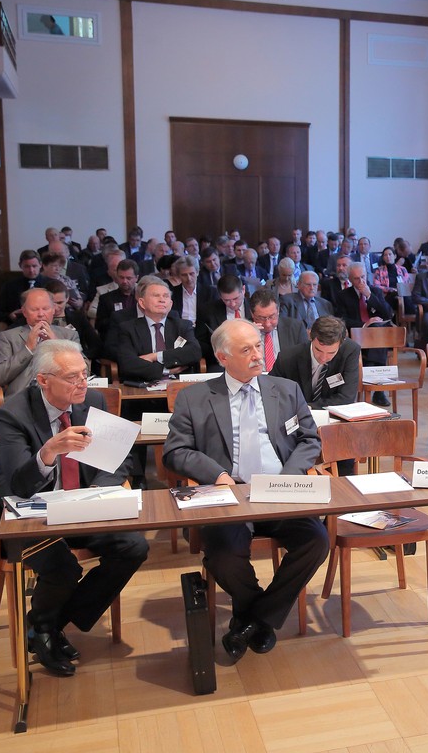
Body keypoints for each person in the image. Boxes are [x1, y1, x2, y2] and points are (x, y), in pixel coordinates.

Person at [0, 340, 148, 676]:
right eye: (72, 377)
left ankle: (45, 625)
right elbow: (15, 486)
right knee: (62, 568)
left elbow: (119, 460)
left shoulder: (92, 401)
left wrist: (96, 491)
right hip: (32, 513)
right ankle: (46, 630)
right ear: (43, 380)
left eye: (84, 374)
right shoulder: (13, 413)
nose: (83, 383)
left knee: (134, 547)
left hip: (81, 506)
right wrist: (47, 453)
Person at [164, 319, 326, 663]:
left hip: (280, 488)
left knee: (316, 540)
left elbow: (310, 440)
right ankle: (259, 618)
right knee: (223, 555)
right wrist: (217, 473)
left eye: (258, 345)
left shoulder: (286, 389)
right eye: (246, 349)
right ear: (223, 358)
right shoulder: (195, 397)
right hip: (230, 492)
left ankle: (252, 620)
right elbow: (176, 451)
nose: (258, 355)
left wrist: (288, 477)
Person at [111, 277, 202, 382]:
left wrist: (156, 356)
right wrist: (165, 370)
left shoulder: (183, 326)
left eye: (166, 296)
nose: (162, 300)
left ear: (170, 304)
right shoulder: (128, 328)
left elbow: (194, 352)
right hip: (143, 385)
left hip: (178, 385)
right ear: (142, 303)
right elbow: (128, 363)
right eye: (156, 295)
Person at [0, 289, 81, 397]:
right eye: (34, 310)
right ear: (24, 312)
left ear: (53, 309)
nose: (41, 314)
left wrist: (57, 345)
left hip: (62, 397)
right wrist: (28, 349)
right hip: (23, 399)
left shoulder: (69, 335)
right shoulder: (8, 337)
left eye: (45, 309)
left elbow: (83, 371)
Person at [197, 275, 252, 370]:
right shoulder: (207, 312)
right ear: (220, 296)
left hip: (251, 358)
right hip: (221, 363)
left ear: (243, 290)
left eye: (236, 298)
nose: (232, 304)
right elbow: (201, 344)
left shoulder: (255, 307)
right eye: (227, 300)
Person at [250, 288, 307, 373]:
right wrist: (248, 336)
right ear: (252, 314)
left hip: (286, 378)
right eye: (261, 318)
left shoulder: (295, 328)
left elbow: (304, 361)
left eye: (272, 317)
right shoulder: (243, 331)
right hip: (255, 377)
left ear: (278, 311)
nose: (267, 324)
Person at [45, 280, 102, 362]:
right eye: (52, 303)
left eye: (60, 303)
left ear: (67, 298)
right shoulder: (38, 319)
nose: (56, 307)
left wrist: (80, 357)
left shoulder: (78, 318)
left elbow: (96, 346)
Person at [0, 250, 48, 326]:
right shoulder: (9, 286)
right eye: (27, 266)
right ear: (20, 265)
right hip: (17, 326)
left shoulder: (50, 284)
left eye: (34, 266)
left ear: (40, 265)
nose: (31, 270)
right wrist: (9, 316)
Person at [92, 259, 140, 342]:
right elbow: (99, 325)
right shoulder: (106, 298)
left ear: (136, 278)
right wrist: (118, 319)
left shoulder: (144, 298)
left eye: (128, 278)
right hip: (116, 341)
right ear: (116, 277)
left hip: (139, 340)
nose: (124, 281)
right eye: (121, 277)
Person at [169, 256, 214, 324]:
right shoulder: (172, 293)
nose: (189, 278)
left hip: (203, 328)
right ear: (178, 276)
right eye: (184, 275)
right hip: (179, 329)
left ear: (197, 272)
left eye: (191, 274)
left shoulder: (210, 292)